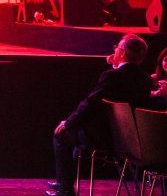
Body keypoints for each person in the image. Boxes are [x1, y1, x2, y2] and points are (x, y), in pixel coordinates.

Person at [46, 33, 154, 196]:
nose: (114, 50)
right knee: (76, 133)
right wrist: (116, 66)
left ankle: (65, 189)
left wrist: (68, 122)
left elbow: (90, 103)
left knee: (62, 134)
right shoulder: (145, 79)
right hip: (132, 141)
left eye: (117, 48)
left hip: (106, 138)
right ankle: (64, 181)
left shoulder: (112, 76)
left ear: (122, 53)